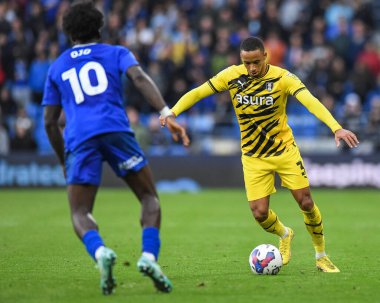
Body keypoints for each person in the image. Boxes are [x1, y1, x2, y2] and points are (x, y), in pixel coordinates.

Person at [160, 36, 359, 273]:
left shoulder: (283, 78)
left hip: (284, 150)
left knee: (305, 201)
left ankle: (321, 256)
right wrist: (172, 111)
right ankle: (285, 234)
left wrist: (336, 127)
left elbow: (310, 101)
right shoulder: (231, 76)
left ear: (265, 56)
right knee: (259, 213)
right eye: (247, 63)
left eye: (256, 62)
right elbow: (198, 93)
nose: (252, 68)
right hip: (253, 156)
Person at [42, 2, 189, 295]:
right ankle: (148, 257)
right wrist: (165, 112)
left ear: (68, 33)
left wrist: (63, 160)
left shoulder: (57, 66)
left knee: (80, 211)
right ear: (100, 27)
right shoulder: (116, 52)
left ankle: (100, 252)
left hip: (80, 139)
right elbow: (139, 77)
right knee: (149, 197)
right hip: (116, 131)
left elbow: (49, 122)